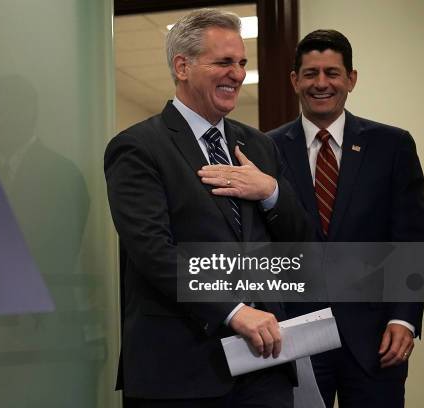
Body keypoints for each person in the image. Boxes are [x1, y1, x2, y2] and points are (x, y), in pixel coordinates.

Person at [105, 9, 311, 408]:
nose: (236, 73)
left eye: (241, 63)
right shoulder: (138, 147)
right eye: (224, 62)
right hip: (180, 371)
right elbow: (152, 252)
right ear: (182, 66)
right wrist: (232, 311)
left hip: (265, 366)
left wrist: (270, 191)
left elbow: (299, 240)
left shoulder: (260, 147)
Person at [267, 29, 424, 408]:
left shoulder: (392, 145)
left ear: (351, 79)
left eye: (332, 72)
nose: (321, 83)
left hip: (375, 339)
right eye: (310, 73)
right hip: (293, 339)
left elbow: (412, 237)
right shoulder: (265, 148)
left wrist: (404, 319)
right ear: (294, 81)